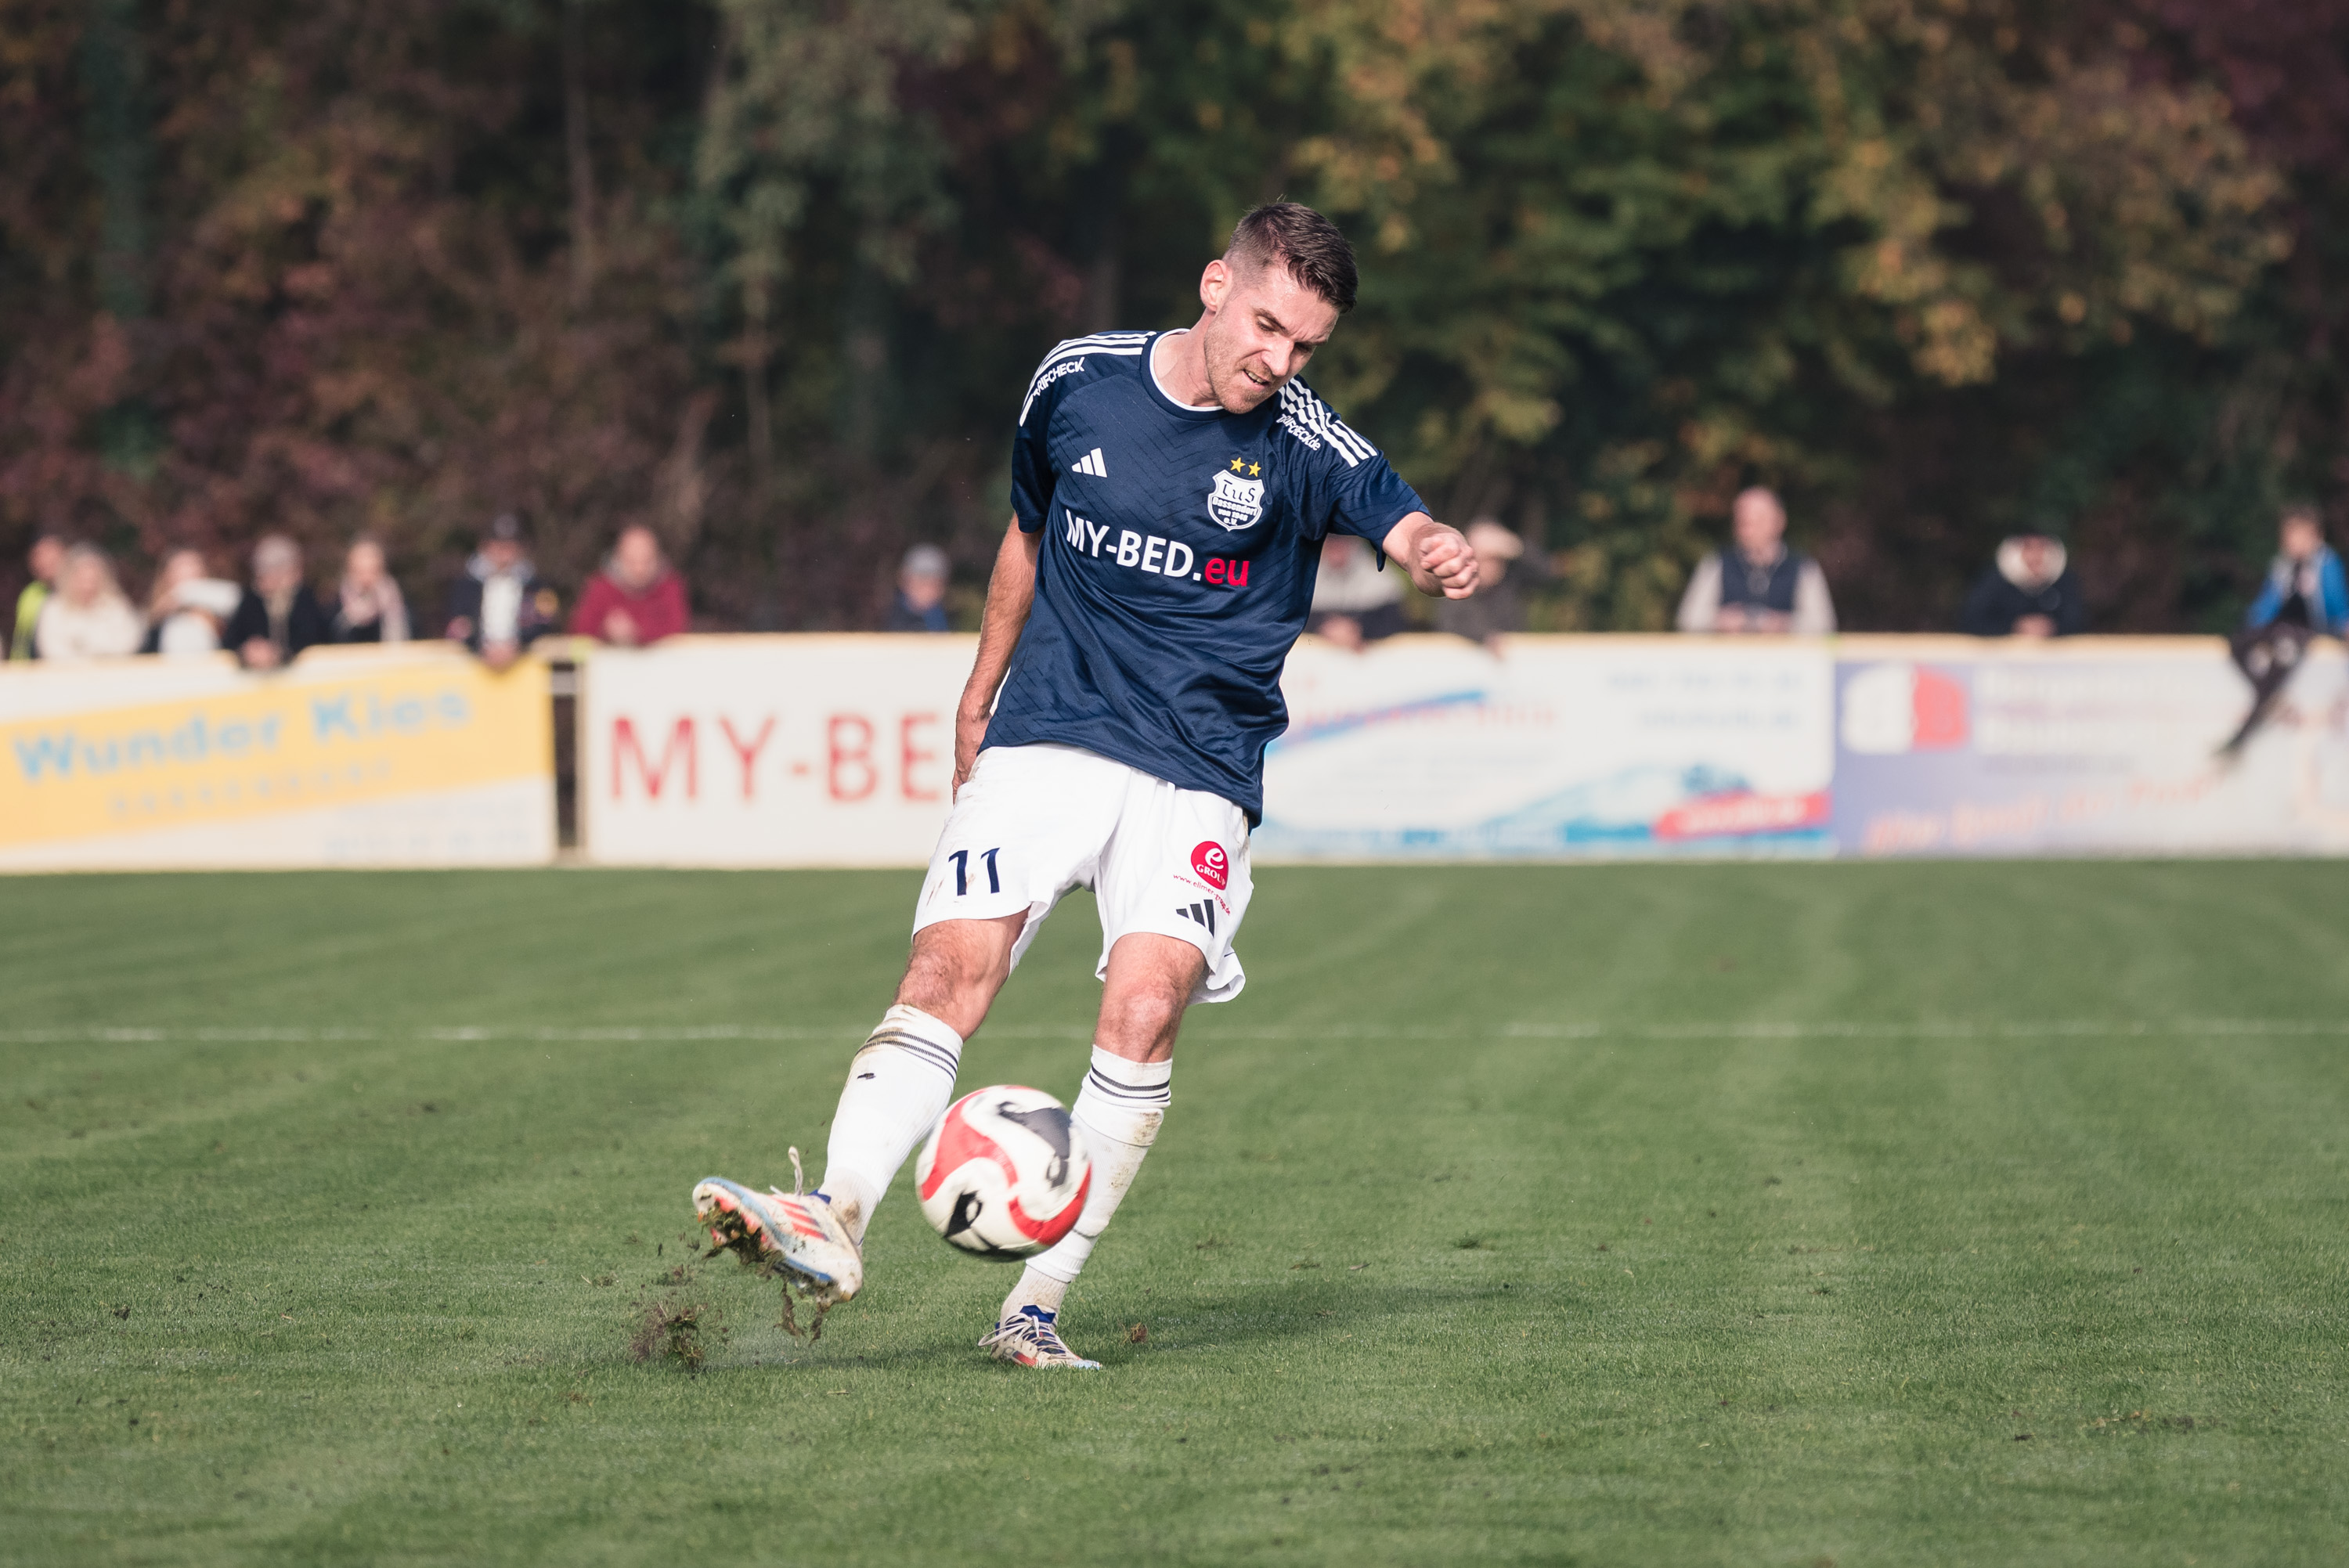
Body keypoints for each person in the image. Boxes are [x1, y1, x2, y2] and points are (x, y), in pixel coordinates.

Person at [689, 200, 1480, 1369]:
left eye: (1307, 345)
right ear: (1216, 285)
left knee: (1147, 1008)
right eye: (1268, 327)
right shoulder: (1077, 380)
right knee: (949, 966)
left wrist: (1432, 546)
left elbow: (1395, 512)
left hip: (1201, 765)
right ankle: (834, 1211)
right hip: (1052, 727)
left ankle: (1033, 1309)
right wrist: (979, 689)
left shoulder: (1304, 437)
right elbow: (1026, 533)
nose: (1281, 361)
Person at [2222, 504, 2349, 754]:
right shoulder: (2282, 566)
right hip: (2281, 627)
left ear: (2315, 535)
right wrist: (2251, 627)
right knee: (2239, 644)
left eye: (2299, 534)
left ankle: (2242, 736)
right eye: (2289, 534)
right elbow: (2267, 604)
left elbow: (2337, 603)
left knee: (2283, 652)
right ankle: (2270, 698)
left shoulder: (2326, 563)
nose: (2293, 541)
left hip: (2309, 630)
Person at [1675, 487, 1837, 635]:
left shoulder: (1803, 567)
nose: (1749, 528)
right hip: (1730, 656)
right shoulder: (1716, 564)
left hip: (1784, 657)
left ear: (1780, 521)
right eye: (1743, 521)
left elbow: (1823, 624)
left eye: (1758, 520)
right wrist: (1720, 621)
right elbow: (1688, 619)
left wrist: (1784, 624)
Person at [443, 512, 558, 669]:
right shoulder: (466, 587)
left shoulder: (537, 588)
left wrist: (517, 646)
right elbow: (458, 627)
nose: (504, 555)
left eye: (510, 548)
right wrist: (481, 647)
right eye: (498, 547)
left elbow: (545, 625)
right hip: (474, 671)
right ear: (485, 547)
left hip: (525, 671)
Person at [223, 535, 334, 669]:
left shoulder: (306, 601)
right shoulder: (251, 601)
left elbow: (317, 640)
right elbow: (230, 641)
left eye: (276, 573)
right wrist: (246, 650)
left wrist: (281, 654)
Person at [572, 524, 688, 646]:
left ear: (657, 558)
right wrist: (605, 631)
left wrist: (638, 633)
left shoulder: (671, 586)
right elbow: (579, 632)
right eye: (632, 562)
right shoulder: (600, 588)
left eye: (646, 561)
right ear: (618, 559)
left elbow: (678, 631)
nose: (639, 570)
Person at [1436, 519, 1540, 648]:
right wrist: (1485, 638)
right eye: (1487, 559)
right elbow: (1450, 627)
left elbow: (1545, 572)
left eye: (1498, 559)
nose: (1493, 566)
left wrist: (1514, 545)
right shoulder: (1455, 591)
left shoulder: (1509, 585)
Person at [1960, 531, 2086, 637]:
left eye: (2042, 547)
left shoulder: (2064, 580)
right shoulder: (1994, 581)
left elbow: (2078, 622)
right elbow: (1971, 621)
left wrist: (2052, 627)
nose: (2036, 555)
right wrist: (2014, 627)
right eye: (2028, 547)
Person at [31, 543, 143, 661]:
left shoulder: (116, 607)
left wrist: (99, 656)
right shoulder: (54, 608)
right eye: (82, 580)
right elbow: (51, 649)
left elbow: (130, 641)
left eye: (92, 580)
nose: (88, 586)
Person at [1304, 533, 1405, 649]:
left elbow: (1394, 626)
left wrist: (1358, 630)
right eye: (1330, 540)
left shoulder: (1383, 579)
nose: (1337, 545)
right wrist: (1325, 628)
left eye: (1343, 540)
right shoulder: (1306, 578)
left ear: (1356, 542)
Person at [140, 547, 242, 657]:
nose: (188, 583)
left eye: (194, 571)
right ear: (166, 578)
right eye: (180, 571)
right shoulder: (157, 623)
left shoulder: (226, 609)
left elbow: (235, 648)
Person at [332, 535, 410, 644]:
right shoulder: (335, 609)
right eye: (360, 572)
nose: (366, 578)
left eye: (372, 571)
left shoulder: (397, 608)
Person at [12, 532, 65, 659]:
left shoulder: (82, 590)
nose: (43, 562)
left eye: (51, 558)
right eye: (37, 556)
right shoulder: (31, 594)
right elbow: (22, 642)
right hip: (36, 666)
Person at [884, 543, 952, 633]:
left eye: (933, 583)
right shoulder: (889, 619)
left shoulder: (949, 620)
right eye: (921, 581)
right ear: (903, 581)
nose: (926, 589)